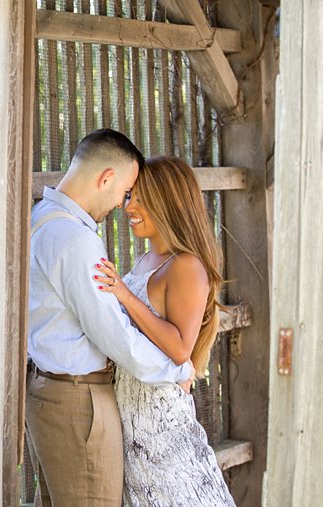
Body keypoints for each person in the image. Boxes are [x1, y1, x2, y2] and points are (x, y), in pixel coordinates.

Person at [26, 129, 193, 506]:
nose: (122, 204)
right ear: (106, 178)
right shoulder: (75, 240)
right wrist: (177, 371)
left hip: (47, 394)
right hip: (78, 403)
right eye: (125, 191)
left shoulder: (41, 219)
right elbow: (116, 338)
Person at [94, 155, 235, 506]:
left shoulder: (186, 266)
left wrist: (123, 294)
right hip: (133, 426)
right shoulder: (144, 261)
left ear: (168, 202)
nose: (129, 206)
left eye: (142, 198)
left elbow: (180, 348)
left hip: (162, 431)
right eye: (129, 196)